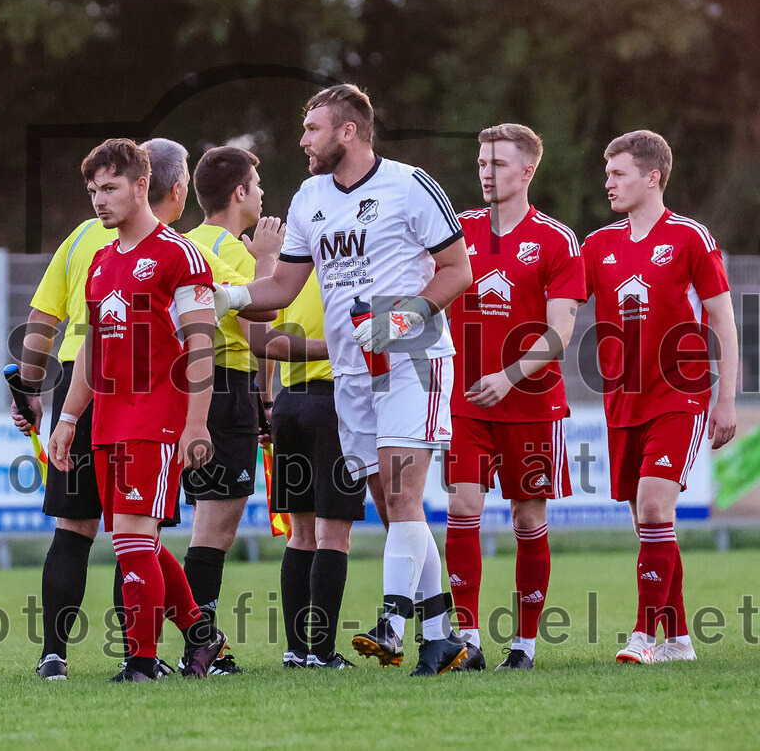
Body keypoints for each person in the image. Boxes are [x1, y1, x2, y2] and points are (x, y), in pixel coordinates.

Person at [215, 84, 474, 676]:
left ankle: (390, 621)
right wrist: (226, 296)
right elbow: (282, 288)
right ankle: (442, 639)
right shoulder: (309, 198)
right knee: (393, 503)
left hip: (412, 358)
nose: (303, 141)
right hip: (352, 373)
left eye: (312, 130)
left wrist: (403, 318)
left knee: (404, 494)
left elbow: (458, 268)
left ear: (348, 131)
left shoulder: (410, 185)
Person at [17, 138, 229, 681]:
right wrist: (67, 419)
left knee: (133, 541)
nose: (98, 200)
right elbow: (93, 349)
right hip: (107, 419)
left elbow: (201, 345)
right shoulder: (102, 263)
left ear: (141, 187)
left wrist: (197, 422)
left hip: (157, 415)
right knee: (139, 541)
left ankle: (141, 662)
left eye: (109, 188)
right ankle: (203, 636)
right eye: (92, 190)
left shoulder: (180, 254)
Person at [583, 130, 737, 664]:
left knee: (653, 509)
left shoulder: (690, 237)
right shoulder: (597, 246)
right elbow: (554, 298)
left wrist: (726, 399)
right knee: (649, 522)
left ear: (653, 177)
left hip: (681, 395)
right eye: (607, 174)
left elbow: (722, 319)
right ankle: (679, 641)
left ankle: (644, 636)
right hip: (622, 402)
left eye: (618, 173)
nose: (609, 183)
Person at [444, 124, 585, 671]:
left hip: (531, 404)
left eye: (498, 163)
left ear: (527, 171)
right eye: (482, 162)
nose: (485, 171)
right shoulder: (455, 230)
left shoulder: (556, 240)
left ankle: (524, 645)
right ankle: (468, 638)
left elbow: (560, 333)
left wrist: (508, 375)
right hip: (465, 402)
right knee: (462, 507)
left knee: (528, 520)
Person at [180, 146, 281, 674]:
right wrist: (266, 258)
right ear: (239, 193)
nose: (263, 195)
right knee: (216, 530)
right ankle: (203, 646)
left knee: (193, 525)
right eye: (257, 185)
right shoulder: (234, 254)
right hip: (223, 388)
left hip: (187, 390)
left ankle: (189, 641)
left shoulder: (188, 241)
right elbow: (261, 333)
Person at [266, 270, 368, 670]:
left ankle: (295, 649)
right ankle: (322, 652)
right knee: (334, 537)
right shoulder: (352, 270)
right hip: (335, 406)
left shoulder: (284, 275)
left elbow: (265, 340)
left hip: (288, 403)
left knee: (301, 535)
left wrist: (265, 401)